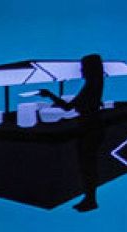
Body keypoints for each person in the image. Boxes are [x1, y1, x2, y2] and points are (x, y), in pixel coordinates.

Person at [39, 54, 106, 212]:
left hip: (89, 130)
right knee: (89, 166)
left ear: (90, 69)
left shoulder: (90, 86)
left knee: (87, 166)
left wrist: (49, 95)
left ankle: (90, 200)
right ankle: (90, 198)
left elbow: (68, 107)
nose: (81, 70)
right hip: (94, 128)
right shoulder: (96, 83)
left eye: (83, 67)